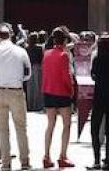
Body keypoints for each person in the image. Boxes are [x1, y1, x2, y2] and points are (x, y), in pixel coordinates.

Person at [0, 23, 32, 171]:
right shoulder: (21, 51)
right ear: (10, 35)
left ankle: (5, 163)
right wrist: (17, 80)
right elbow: (28, 73)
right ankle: (25, 162)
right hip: (16, 91)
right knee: (21, 128)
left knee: (2, 129)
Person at [41, 28, 77, 169]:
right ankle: (63, 156)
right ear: (65, 40)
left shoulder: (47, 53)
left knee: (50, 125)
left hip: (48, 91)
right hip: (61, 92)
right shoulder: (64, 55)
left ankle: (46, 155)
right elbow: (66, 75)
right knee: (66, 124)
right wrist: (71, 89)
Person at [89, 34, 109, 171]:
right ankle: (107, 160)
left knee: (95, 129)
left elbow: (93, 75)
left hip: (99, 97)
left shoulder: (97, 59)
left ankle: (96, 160)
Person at [26, 32, 46, 112]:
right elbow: (42, 58)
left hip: (29, 67)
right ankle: (37, 105)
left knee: (30, 87)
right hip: (38, 67)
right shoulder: (40, 48)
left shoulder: (26, 48)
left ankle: (30, 105)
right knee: (38, 86)